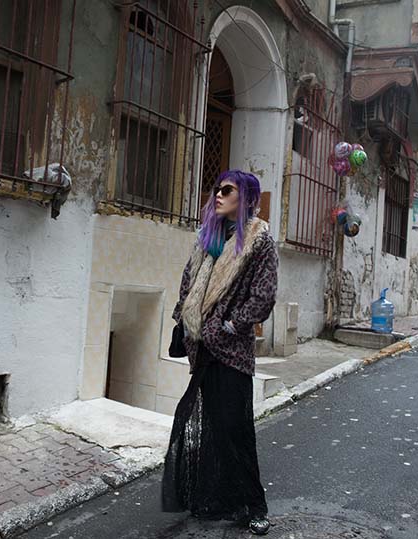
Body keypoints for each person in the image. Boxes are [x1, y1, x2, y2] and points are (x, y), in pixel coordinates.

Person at [161, 170, 278, 535]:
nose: (218, 195)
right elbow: (188, 282)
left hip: (231, 352)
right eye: (216, 189)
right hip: (203, 350)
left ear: (246, 197)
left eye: (227, 190)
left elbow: (264, 295)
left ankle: (255, 506)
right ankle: (220, 499)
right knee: (212, 426)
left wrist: (230, 325)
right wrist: (186, 316)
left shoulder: (259, 242)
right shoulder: (208, 239)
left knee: (235, 429)